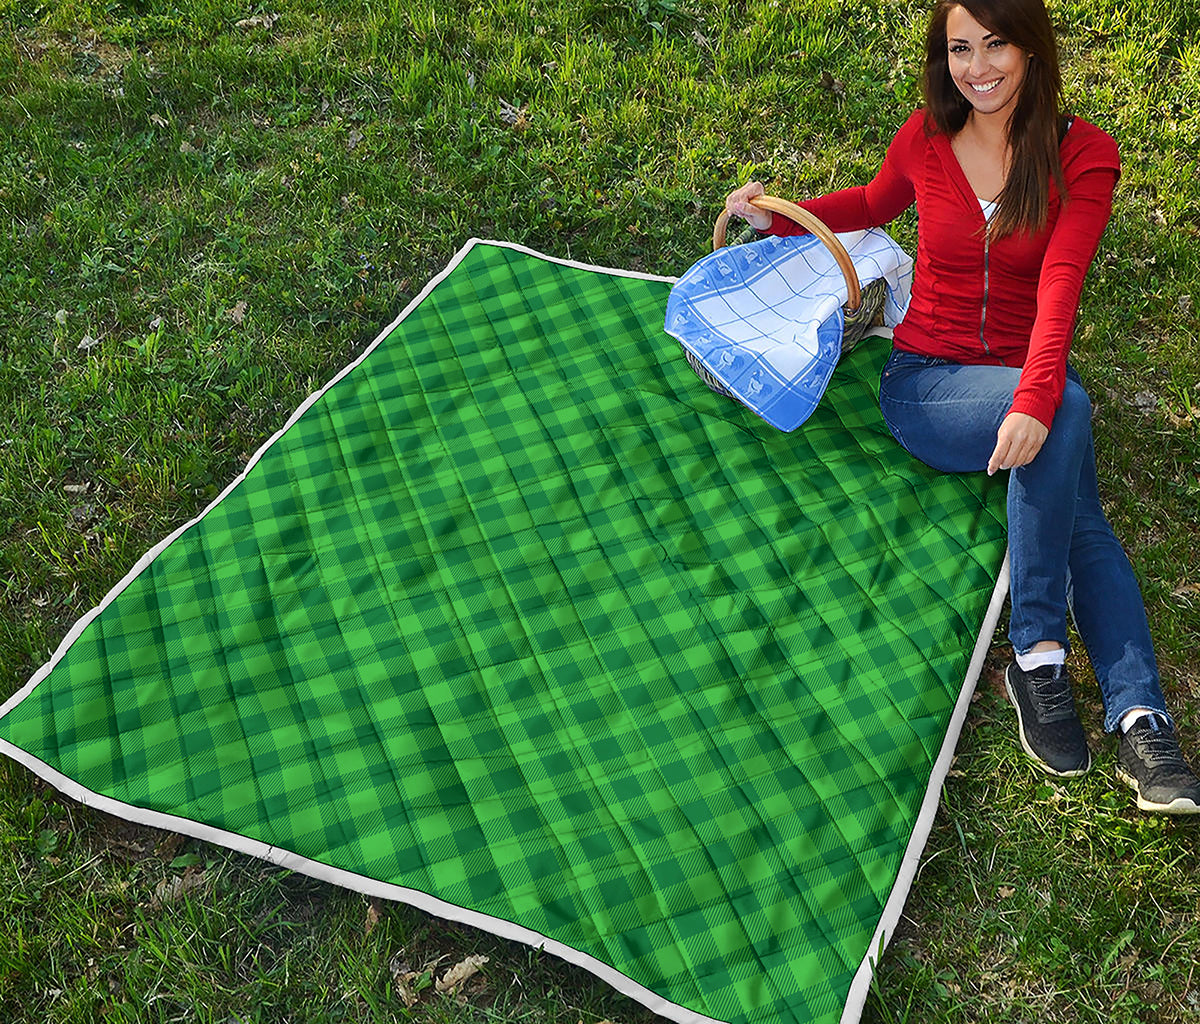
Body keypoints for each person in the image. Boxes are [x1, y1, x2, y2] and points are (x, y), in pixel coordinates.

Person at [725, 0, 1200, 814]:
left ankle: (1135, 713)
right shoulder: (926, 137)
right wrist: (779, 220)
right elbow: (873, 204)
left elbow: (1061, 284)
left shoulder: (1083, 156)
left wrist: (1036, 396)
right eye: (959, 48)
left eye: (996, 45)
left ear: (1031, 48)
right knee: (1070, 418)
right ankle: (1043, 654)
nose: (977, 67)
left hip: (1020, 376)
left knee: (1074, 477)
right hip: (927, 383)